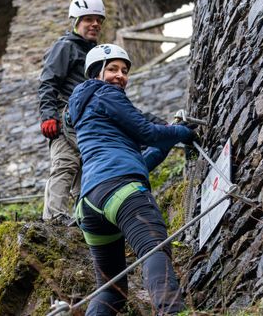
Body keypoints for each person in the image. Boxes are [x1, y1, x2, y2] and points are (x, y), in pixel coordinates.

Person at [68, 44, 196, 315]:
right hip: (120, 189)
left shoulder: (84, 110)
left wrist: (164, 145)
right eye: (112, 69)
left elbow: (139, 158)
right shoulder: (105, 93)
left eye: (124, 71)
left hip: (90, 205)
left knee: (111, 290)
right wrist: (182, 132)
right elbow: (147, 132)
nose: (120, 76)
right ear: (95, 73)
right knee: (154, 250)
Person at [38, 0, 104, 222]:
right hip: (64, 117)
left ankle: (81, 218)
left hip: (86, 120)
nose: (94, 24)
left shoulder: (94, 55)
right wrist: (48, 116)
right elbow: (48, 82)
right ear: (76, 21)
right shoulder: (65, 47)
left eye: (98, 21)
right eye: (89, 19)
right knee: (66, 164)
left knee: (86, 169)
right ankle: (54, 217)